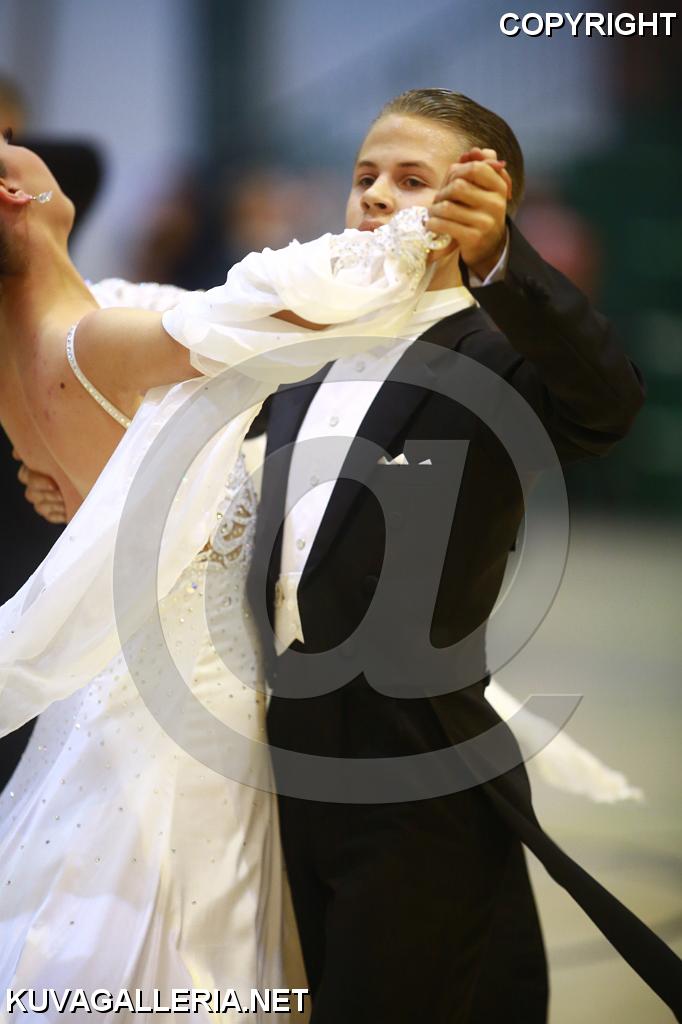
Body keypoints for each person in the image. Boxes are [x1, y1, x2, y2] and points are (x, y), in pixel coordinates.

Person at [0, 125, 491, 1018]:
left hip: (100, 689)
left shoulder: (37, 338)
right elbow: (279, 319)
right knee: (181, 936)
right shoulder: (102, 338)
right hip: (191, 692)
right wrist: (423, 224)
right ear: (15, 195)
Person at [244, 89, 682, 1022]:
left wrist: (503, 261)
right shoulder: (305, 350)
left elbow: (607, 403)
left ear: (484, 200)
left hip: (416, 772)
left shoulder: (494, 357)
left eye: (412, 180)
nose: (375, 194)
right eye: (364, 175)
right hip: (285, 762)